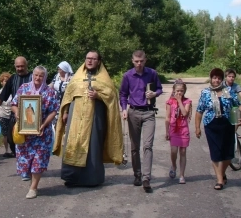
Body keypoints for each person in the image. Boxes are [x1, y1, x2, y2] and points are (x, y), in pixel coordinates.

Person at [53, 50, 123, 188]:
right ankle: (72, 177)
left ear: (99, 61)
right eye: (88, 58)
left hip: (95, 115)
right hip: (75, 116)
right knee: (73, 143)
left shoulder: (104, 79)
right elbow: (68, 95)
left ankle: (92, 179)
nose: (90, 61)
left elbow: (112, 97)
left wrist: (99, 96)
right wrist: (66, 111)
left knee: (93, 145)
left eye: (93, 58)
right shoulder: (77, 77)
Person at [11, 66, 59, 199]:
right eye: (36, 75)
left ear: (45, 77)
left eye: (41, 76)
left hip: (42, 133)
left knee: (39, 160)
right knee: (26, 161)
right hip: (25, 133)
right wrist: (17, 113)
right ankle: (31, 181)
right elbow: (14, 104)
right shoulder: (24, 88)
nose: (38, 78)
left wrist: (44, 125)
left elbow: (54, 110)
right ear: (33, 75)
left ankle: (33, 187)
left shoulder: (50, 92)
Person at [195, 68, 241, 190]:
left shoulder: (228, 91)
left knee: (228, 154)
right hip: (211, 125)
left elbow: (236, 104)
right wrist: (197, 127)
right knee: (216, 153)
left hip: (228, 124)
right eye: (214, 78)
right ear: (211, 79)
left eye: (219, 78)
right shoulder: (205, 93)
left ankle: (222, 173)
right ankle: (219, 180)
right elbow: (199, 111)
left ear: (221, 80)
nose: (216, 80)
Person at [119, 50, 163, 192]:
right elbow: (123, 94)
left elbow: (160, 88)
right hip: (133, 112)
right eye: (136, 61)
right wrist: (124, 109)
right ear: (132, 61)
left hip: (149, 111)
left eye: (142, 61)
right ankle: (137, 174)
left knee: (148, 145)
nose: (139, 64)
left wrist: (155, 93)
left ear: (145, 60)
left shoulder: (152, 73)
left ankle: (146, 178)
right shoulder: (127, 76)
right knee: (134, 147)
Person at [0, 56, 32, 162]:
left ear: (26, 65)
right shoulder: (13, 79)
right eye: (17, 66)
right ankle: (20, 157)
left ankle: (28, 162)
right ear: (14, 66)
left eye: (22, 66)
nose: (20, 68)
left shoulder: (32, 77)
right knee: (11, 139)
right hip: (15, 114)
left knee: (29, 140)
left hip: (31, 114)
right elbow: (2, 96)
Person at [165, 79, 192, 184]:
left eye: (181, 91)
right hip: (173, 128)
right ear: (173, 91)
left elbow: (185, 113)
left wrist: (180, 101)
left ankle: (182, 175)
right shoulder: (169, 102)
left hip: (183, 128)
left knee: (183, 152)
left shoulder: (187, 101)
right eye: (177, 91)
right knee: (174, 150)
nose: (179, 93)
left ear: (184, 91)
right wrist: (167, 131)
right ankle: (174, 165)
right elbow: (167, 118)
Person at [223, 68, 241, 138]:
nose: (231, 78)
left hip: (233, 105)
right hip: (224, 105)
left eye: (233, 77)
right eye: (229, 76)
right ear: (226, 77)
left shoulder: (236, 86)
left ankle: (234, 132)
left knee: (238, 115)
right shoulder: (222, 85)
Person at [0, 72, 13, 157]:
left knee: (13, 133)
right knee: (5, 134)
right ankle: (7, 150)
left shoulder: (13, 91)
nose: (5, 82)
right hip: (3, 115)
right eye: (4, 81)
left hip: (12, 114)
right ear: (1, 82)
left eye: (7, 81)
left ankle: (14, 149)